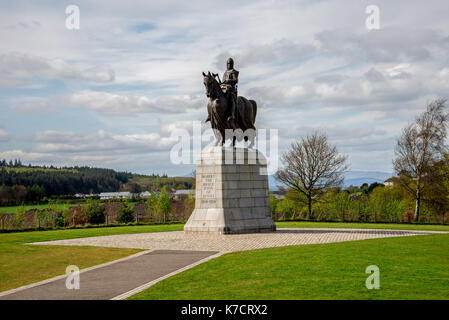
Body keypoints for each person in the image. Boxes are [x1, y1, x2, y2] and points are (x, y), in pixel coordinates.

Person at [221, 57, 239, 126]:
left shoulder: (233, 71)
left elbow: (236, 80)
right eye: (228, 64)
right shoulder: (225, 72)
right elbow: (223, 81)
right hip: (224, 87)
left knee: (231, 98)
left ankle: (232, 114)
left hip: (231, 89)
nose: (228, 65)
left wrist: (229, 81)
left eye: (230, 64)